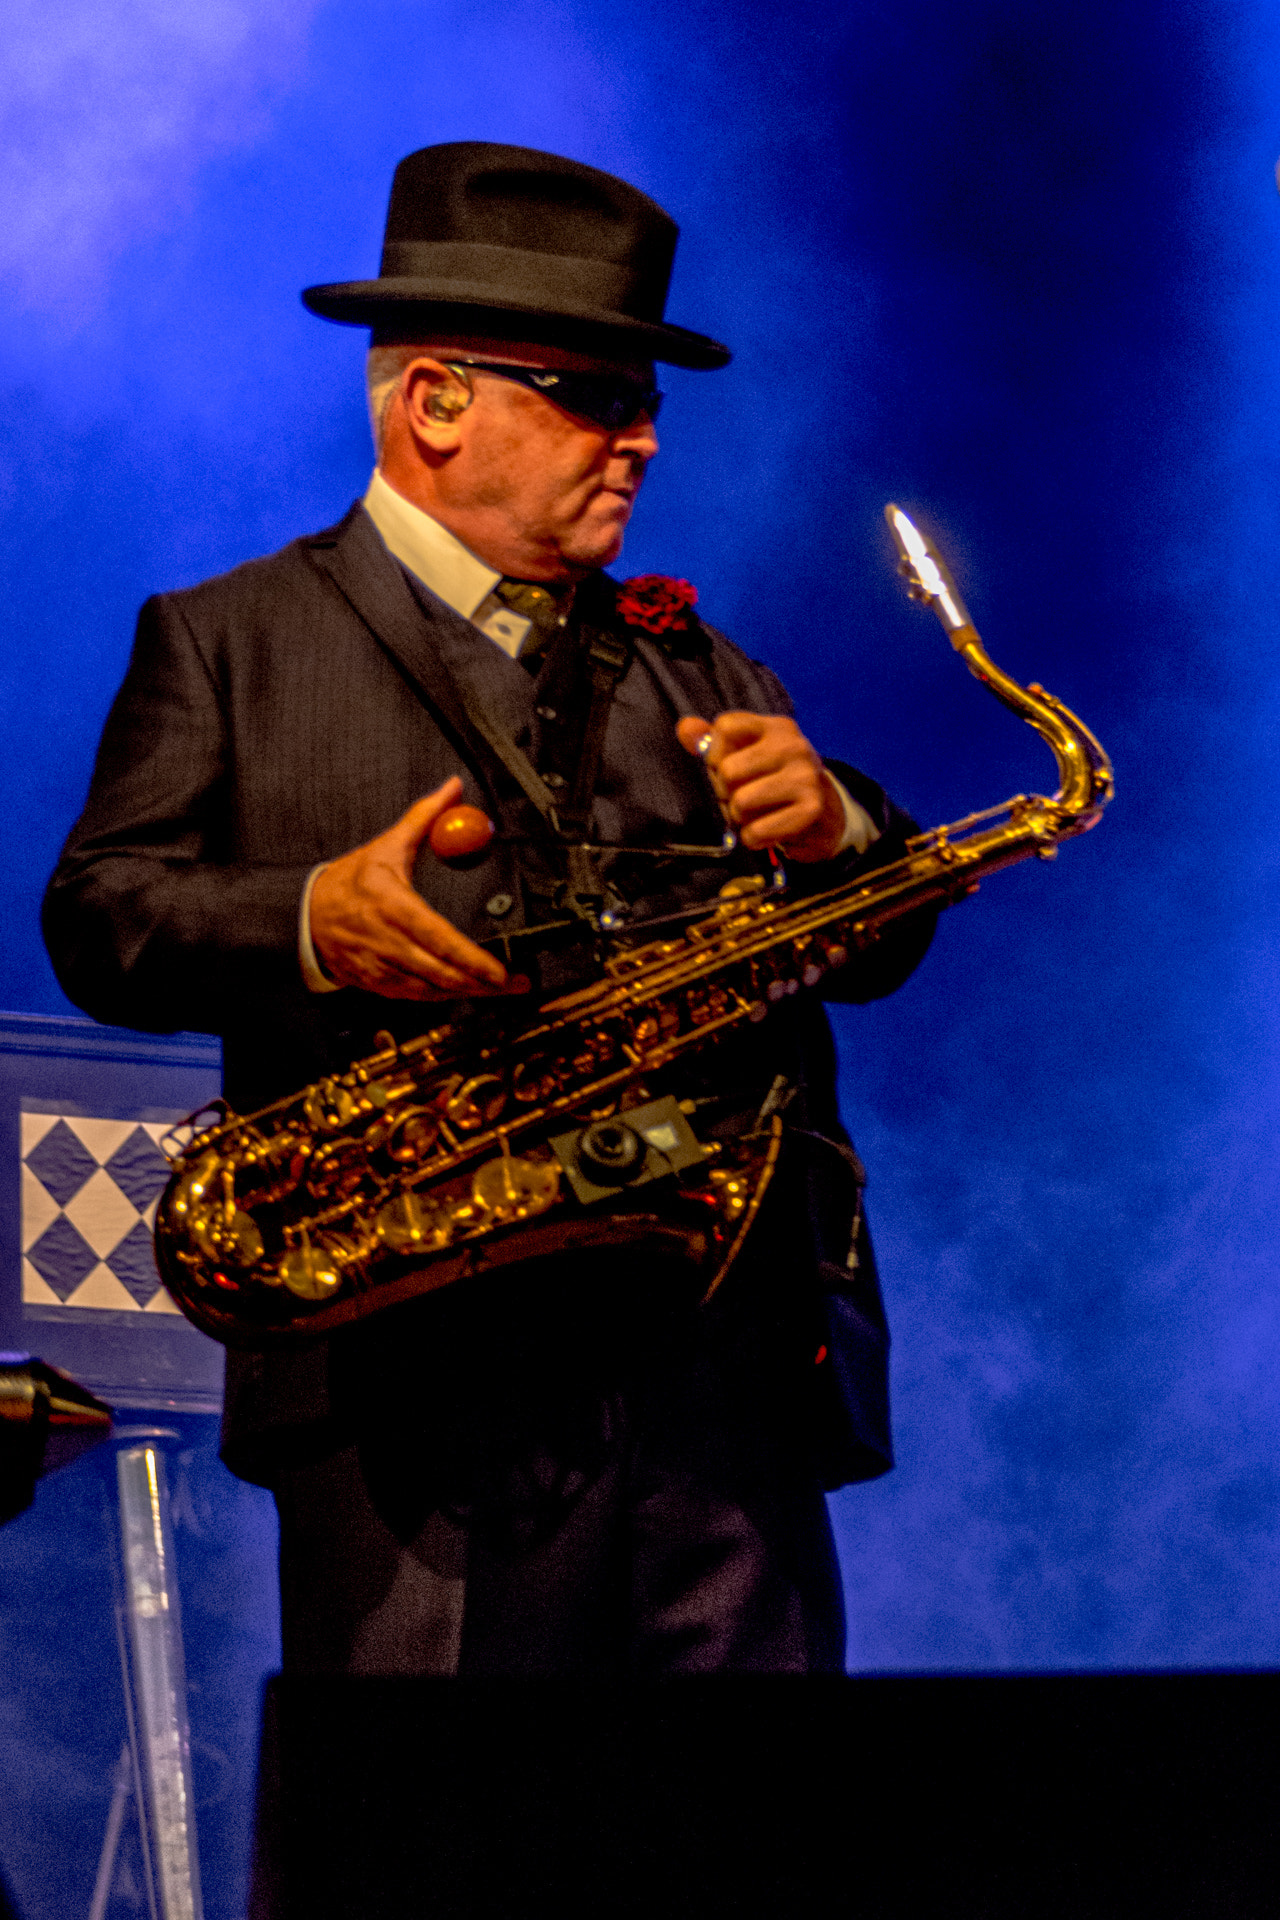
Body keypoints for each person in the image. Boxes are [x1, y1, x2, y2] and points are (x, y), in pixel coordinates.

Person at [43, 143, 935, 1676]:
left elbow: (881, 949)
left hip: (717, 1399)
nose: (640, 440)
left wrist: (847, 831)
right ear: (433, 402)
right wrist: (312, 916)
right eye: (590, 393)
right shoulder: (229, 639)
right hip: (410, 1395)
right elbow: (101, 914)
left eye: (646, 402)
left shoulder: (707, 670)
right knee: (428, 1864)